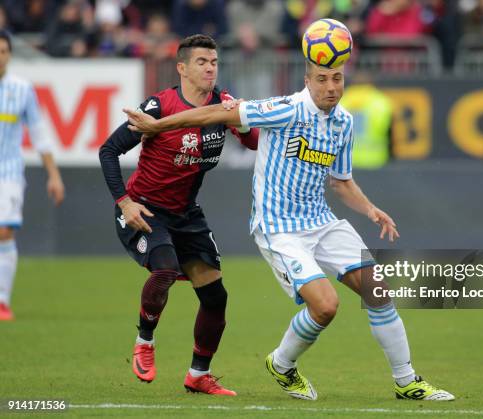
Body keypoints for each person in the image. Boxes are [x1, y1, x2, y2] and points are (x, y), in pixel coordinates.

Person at [124, 54, 455, 402]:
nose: (331, 87)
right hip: (279, 227)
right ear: (308, 81)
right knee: (326, 307)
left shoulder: (343, 122)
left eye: (338, 79)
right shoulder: (285, 109)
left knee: (379, 291)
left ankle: (406, 381)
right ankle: (282, 364)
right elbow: (218, 113)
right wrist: (158, 126)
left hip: (322, 221)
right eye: (323, 79)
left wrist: (371, 209)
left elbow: (341, 182)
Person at [99, 34, 258, 395]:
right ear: (182, 68)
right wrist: (124, 201)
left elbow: (253, 142)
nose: (210, 68)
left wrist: (243, 119)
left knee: (216, 297)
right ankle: (145, 341)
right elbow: (108, 151)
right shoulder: (159, 105)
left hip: (187, 214)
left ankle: (198, 374)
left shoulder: (222, 105)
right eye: (202, 62)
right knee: (166, 268)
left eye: (214, 62)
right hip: (143, 209)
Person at [0, 30, 65, 321]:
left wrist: (53, 175)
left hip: (8, 172)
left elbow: (39, 135)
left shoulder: (22, 89)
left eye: (3, 51)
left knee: (4, 231)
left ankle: (2, 300)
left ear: (10, 55)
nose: (0, 57)